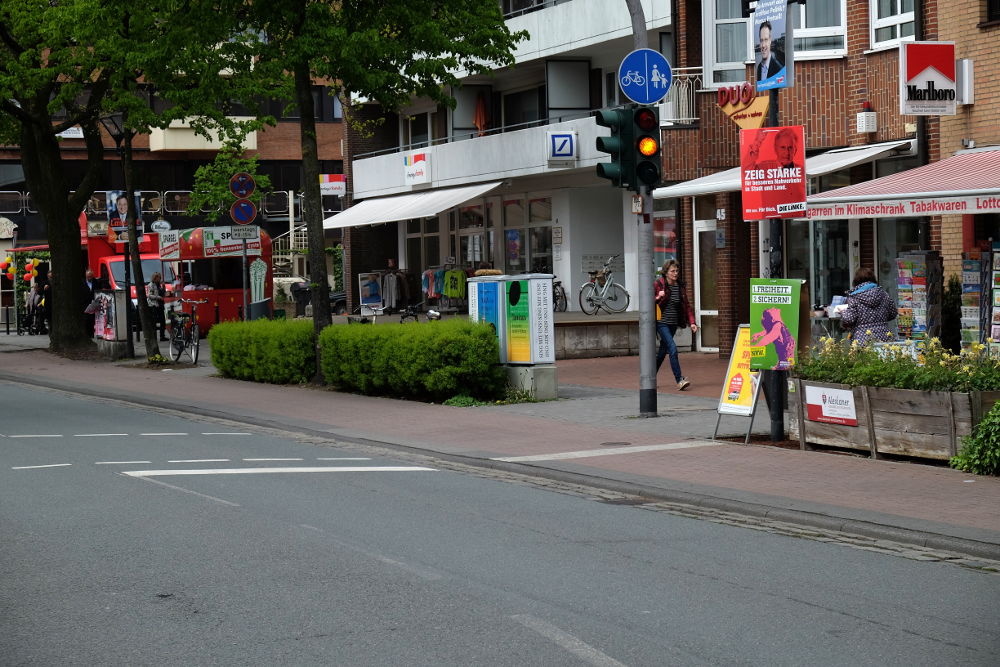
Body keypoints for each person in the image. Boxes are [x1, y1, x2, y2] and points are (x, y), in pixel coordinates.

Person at [654, 260, 698, 390]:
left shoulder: (679, 287)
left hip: (673, 323)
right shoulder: (659, 284)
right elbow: (647, 301)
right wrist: (657, 296)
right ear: (666, 272)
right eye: (673, 271)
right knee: (672, 348)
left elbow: (687, 306)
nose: (675, 273)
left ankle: (650, 377)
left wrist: (692, 322)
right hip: (661, 322)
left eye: (677, 271)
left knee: (663, 352)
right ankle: (679, 380)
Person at [840, 267, 897, 345]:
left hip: (862, 338)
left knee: (865, 357)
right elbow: (893, 313)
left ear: (856, 280)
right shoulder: (884, 294)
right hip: (885, 337)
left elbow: (849, 319)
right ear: (873, 279)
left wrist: (843, 312)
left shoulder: (854, 297)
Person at [146, 271, 169, 341]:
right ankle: (153, 336)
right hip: (153, 305)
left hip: (160, 304)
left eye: (160, 278)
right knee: (154, 321)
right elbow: (149, 295)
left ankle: (162, 336)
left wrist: (164, 287)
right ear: (155, 278)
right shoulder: (151, 285)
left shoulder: (159, 285)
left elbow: (163, 293)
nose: (159, 279)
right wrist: (158, 297)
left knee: (162, 320)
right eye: (158, 278)